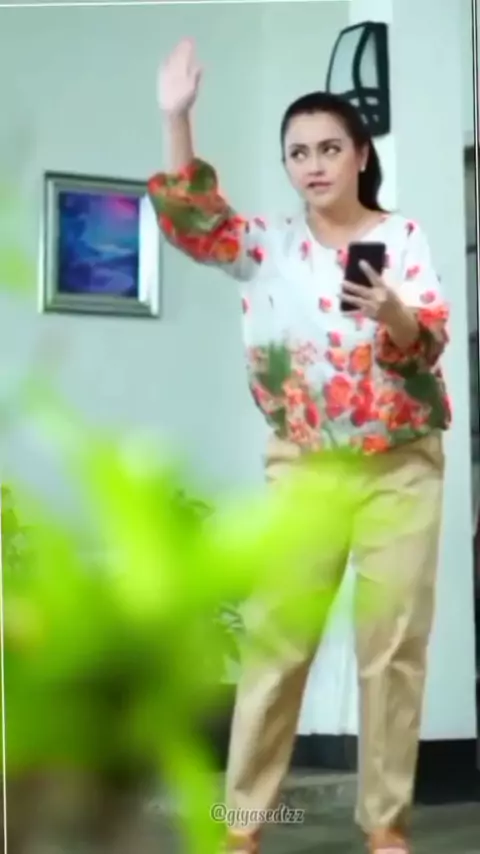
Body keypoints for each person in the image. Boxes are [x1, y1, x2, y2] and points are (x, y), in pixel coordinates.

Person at [148, 38, 451, 854]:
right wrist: (177, 118)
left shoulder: (403, 237)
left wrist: (390, 309)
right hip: (305, 466)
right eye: (298, 153)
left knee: (393, 647)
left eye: (329, 148)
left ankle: (385, 826)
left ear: (360, 155)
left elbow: (425, 345)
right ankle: (243, 827)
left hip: (400, 464)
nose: (313, 165)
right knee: (278, 642)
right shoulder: (267, 244)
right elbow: (195, 224)